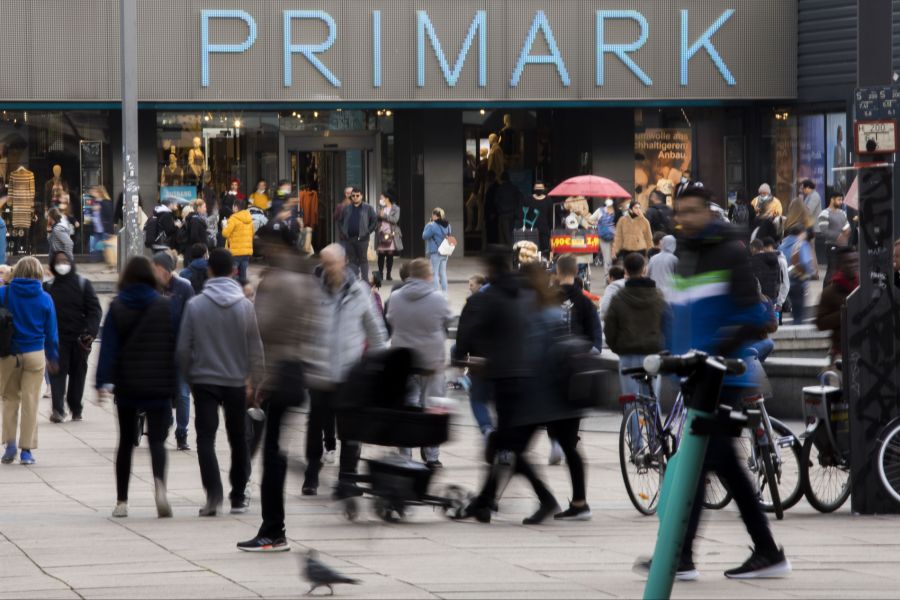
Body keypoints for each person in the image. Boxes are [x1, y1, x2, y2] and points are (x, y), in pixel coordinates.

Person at [644, 184, 789, 580]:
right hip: (698, 375)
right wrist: (671, 358)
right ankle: (761, 550)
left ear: (708, 210)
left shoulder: (729, 251)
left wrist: (714, 353)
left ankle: (682, 555)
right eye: (680, 212)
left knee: (703, 463)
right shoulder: (687, 255)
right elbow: (681, 313)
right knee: (715, 464)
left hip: (724, 376)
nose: (685, 218)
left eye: (693, 211)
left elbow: (754, 315)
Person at [454, 252, 562, 525]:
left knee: (508, 447)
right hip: (530, 379)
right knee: (506, 445)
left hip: (506, 379)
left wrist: (465, 357)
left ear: (490, 268)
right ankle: (484, 501)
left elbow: (472, 332)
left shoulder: (490, 297)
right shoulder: (526, 296)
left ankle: (544, 499)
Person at [237, 231, 322, 552]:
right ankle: (273, 527)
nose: (262, 252)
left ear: (277, 248)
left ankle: (273, 530)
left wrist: (260, 381)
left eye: (265, 247)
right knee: (275, 451)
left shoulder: (278, 282)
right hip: (296, 371)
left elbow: (262, 328)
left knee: (271, 456)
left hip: (278, 373)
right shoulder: (305, 279)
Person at [177, 248, 265, 516]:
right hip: (237, 381)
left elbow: (182, 349)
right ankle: (238, 495)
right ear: (233, 271)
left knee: (205, 437)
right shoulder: (245, 307)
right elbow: (256, 351)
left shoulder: (195, 305)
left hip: (204, 380)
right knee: (238, 437)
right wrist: (255, 382)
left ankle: (213, 494)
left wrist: (190, 376)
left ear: (210, 271)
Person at [302, 244, 387, 496]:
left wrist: (377, 367)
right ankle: (311, 475)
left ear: (344, 261)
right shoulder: (313, 290)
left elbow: (376, 331)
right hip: (320, 373)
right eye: (324, 263)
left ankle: (347, 479)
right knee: (315, 426)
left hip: (350, 373)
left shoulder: (359, 291)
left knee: (350, 429)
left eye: (332, 263)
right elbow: (304, 329)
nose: (328, 268)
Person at [95, 256, 174, 518]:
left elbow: (108, 348)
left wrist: (102, 383)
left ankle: (122, 501)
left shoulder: (117, 306)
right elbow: (171, 346)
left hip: (128, 384)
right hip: (158, 383)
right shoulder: (163, 305)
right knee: (158, 442)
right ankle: (160, 487)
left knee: (126, 442)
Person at [385, 258, 452, 468]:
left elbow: (391, 320)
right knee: (433, 408)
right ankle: (432, 455)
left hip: (403, 361)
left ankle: (405, 454)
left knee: (406, 408)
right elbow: (447, 320)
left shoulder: (395, 297)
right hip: (431, 362)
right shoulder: (438, 298)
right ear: (427, 275)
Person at [0, 257, 59, 466]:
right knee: (31, 401)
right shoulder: (45, 298)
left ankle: (10, 445)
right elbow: (51, 334)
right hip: (35, 354)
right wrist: (53, 357)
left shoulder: (4, 293)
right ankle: (26, 451)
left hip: (8, 354)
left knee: (9, 400)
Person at [46, 251, 101, 424]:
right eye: (58, 261)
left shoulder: (83, 284)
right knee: (57, 373)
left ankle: (76, 407)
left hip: (79, 339)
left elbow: (94, 310)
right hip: (57, 339)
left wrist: (91, 332)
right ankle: (58, 409)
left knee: (78, 374)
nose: (62, 264)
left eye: (65, 260)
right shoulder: (48, 287)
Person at [604, 253, 667, 398]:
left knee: (630, 400)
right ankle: (652, 420)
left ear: (625, 270)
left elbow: (609, 327)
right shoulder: (658, 296)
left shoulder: (618, 297)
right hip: (652, 353)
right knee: (652, 398)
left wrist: (616, 347)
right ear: (644, 269)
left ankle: (632, 419)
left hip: (627, 354)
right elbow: (667, 323)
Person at [152, 252, 195, 450]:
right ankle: (167, 421)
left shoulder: (183, 287)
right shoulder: (152, 288)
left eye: (156, 268)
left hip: (180, 349)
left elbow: (191, 316)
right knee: (163, 392)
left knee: (183, 392)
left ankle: (182, 433)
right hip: (159, 350)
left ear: (165, 269)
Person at [816, 247, 858, 362]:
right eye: (849, 262)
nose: (853, 265)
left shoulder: (864, 287)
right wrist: (845, 312)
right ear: (841, 265)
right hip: (841, 352)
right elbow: (820, 324)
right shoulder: (830, 292)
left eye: (855, 261)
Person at [555, 254, 602, 351]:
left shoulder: (548, 298)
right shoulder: (585, 301)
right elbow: (595, 332)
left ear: (557, 270)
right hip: (580, 356)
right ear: (576, 271)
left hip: (555, 356)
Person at [339, 188, 377, 281]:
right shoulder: (347, 208)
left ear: (361, 196)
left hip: (362, 239)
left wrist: (367, 232)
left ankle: (365, 280)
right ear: (351, 196)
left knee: (363, 259)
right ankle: (353, 279)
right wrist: (343, 232)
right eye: (353, 196)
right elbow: (340, 221)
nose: (355, 197)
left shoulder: (368, 208)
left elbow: (374, 221)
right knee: (351, 260)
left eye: (357, 195)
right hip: (349, 239)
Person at [779, 226, 814, 324]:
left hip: (785, 281)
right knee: (798, 314)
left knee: (788, 308)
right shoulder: (801, 244)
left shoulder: (782, 244)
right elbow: (805, 262)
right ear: (800, 234)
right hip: (798, 281)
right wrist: (809, 275)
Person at [818, 194, 850, 286]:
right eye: (839, 199)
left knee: (841, 271)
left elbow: (846, 226)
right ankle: (826, 292)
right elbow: (824, 231)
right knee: (832, 270)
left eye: (841, 200)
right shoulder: (824, 213)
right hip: (831, 245)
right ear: (832, 199)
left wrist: (847, 231)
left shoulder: (843, 213)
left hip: (843, 246)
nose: (841, 202)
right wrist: (839, 235)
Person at [223, 199, 254, 284]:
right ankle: (242, 292)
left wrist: (224, 226)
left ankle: (233, 293)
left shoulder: (233, 218)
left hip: (235, 252)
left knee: (232, 275)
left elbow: (225, 233)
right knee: (243, 275)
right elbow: (252, 234)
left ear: (236, 207)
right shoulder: (250, 219)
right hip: (246, 252)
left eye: (233, 205)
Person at [423, 207, 453, 294]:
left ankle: (436, 293)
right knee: (443, 273)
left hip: (435, 252)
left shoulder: (432, 225)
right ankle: (445, 293)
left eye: (433, 215)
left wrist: (427, 225)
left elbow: (424, 236)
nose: (432, 216)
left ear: (435, 216)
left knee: (434, 273)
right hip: (445, 252)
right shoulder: (448, 225)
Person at [375, 192, 403, 281]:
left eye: (382, 198)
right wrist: (380, 215)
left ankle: (388, 274)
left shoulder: (396, 208)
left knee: (390, 254)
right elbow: (376, 217)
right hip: (381, 233)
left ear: (387, 199)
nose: (380, 200)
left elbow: (395, 220)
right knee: (381, 254)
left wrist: (385, 215)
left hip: (391, 233)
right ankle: (380, 274)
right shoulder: (380, 207)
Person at [519, 182, 552, 254]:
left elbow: (550, 216)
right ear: (534, 189)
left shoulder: (548, 200)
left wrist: (550, 229)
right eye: (537, 188)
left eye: (540, 188)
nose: (539, 190)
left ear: (544, 189)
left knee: (544, 251)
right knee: (531, 250)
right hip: (531, 230)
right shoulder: (528, 199)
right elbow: (524, 214)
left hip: (544, 230)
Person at [494, 171, 522, 246]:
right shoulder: (514, 188)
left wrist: (499, 210)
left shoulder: (500, 189)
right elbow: (519, 199)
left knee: (505, 235)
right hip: (512, 214)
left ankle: (510, 250)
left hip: (503, 214)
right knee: (511, 233)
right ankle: (512, 248)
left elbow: (496, 202)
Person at [647, 235, 678, 300]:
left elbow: (648, 274)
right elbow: (676, 276)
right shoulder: (674, 259)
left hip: (654, 290)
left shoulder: (653, 258)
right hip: (669, 291)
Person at [590, 199, 617, 270]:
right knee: (611, 258)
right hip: (616, 236)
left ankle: (608, 275)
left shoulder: (600, 210)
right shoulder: (617, 210)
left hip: (604, 236)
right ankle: (611, 274)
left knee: (607, 258)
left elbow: (591, 219)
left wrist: (598, 223)